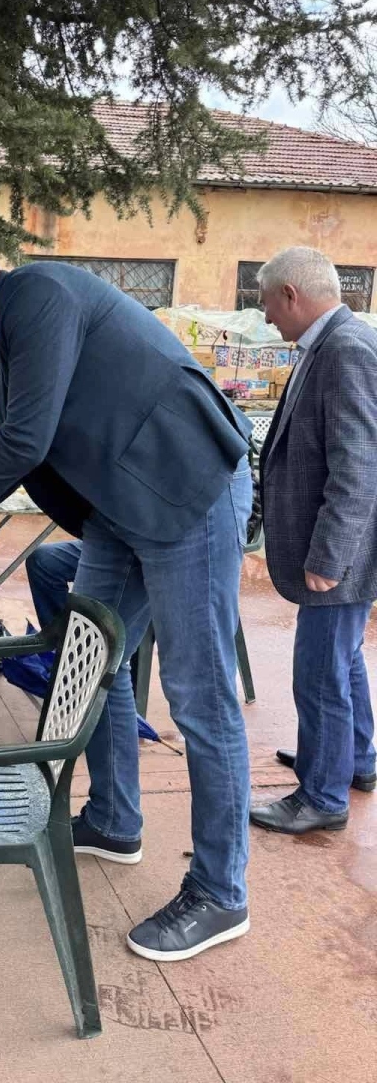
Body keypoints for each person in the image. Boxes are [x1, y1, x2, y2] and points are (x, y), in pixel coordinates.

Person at [0, 234, 254, 962]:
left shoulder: (39, 295)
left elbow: (25, 437)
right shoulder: (7, 340)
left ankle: (220, 891)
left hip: (188, 488)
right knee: (87, 664)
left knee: (200, 696)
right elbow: (41, 451)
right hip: (123, 511)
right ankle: (114, 819)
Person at [249, 247, 377, 835]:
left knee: (319, 671)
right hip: (343, 547)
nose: (266, 315)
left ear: (291, 295)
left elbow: (357, 467)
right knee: (341, 659)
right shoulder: (331, 344)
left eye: (267, 302)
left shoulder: (346, 349)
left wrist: (328, 556)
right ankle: (354, 762)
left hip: (339, 551)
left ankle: (323, 797)